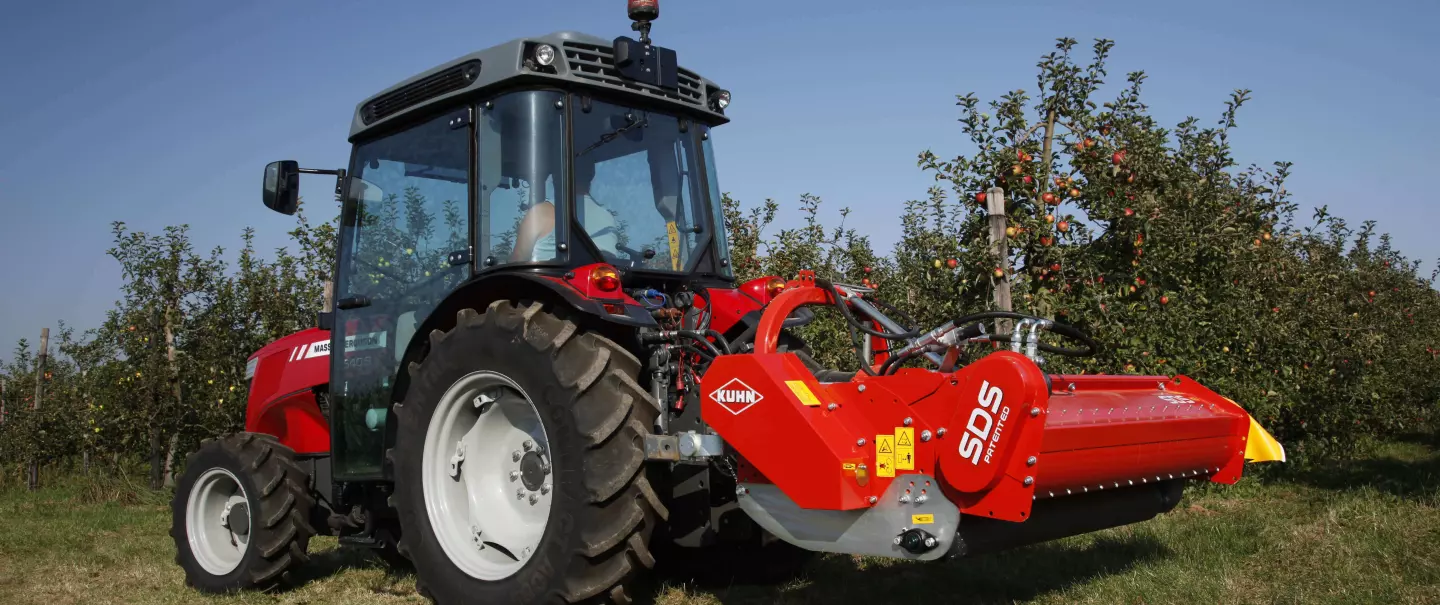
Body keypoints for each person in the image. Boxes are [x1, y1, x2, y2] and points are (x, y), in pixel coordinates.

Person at [510, 160, 619, 262]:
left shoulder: (541, 212)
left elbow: (517, 262)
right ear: (591, 176)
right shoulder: (608, 218)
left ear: (558, 176)